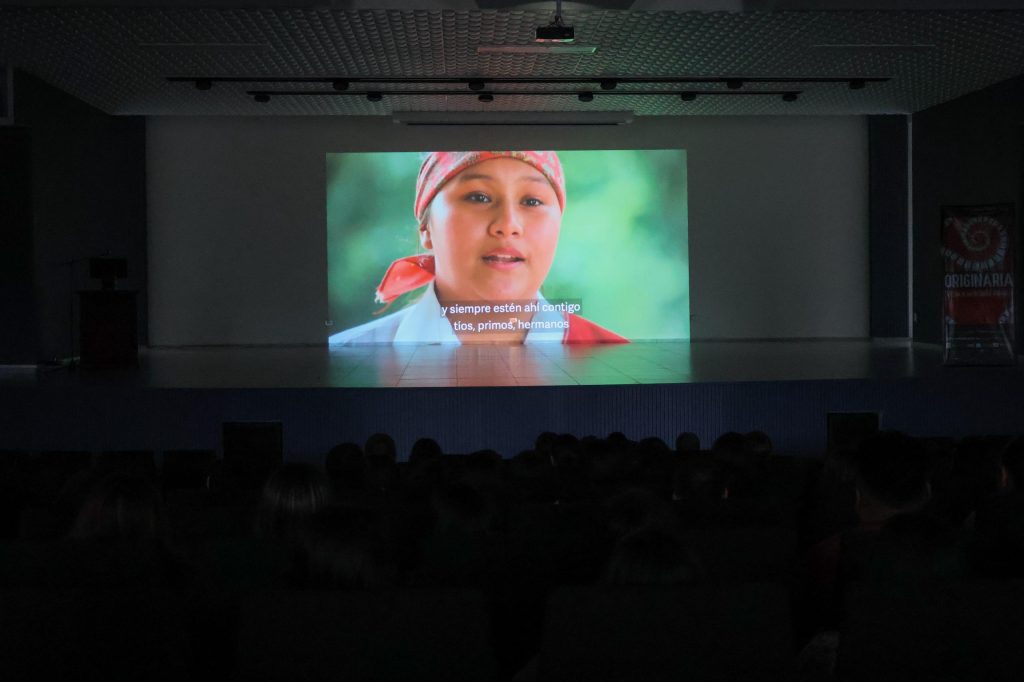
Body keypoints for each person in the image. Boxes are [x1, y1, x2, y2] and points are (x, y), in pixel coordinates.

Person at [329, 150, 628, 345]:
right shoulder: (349, 355)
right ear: (426, 228)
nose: (507, 224)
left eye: (532, 201)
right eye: (478, 197)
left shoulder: (610, 354)